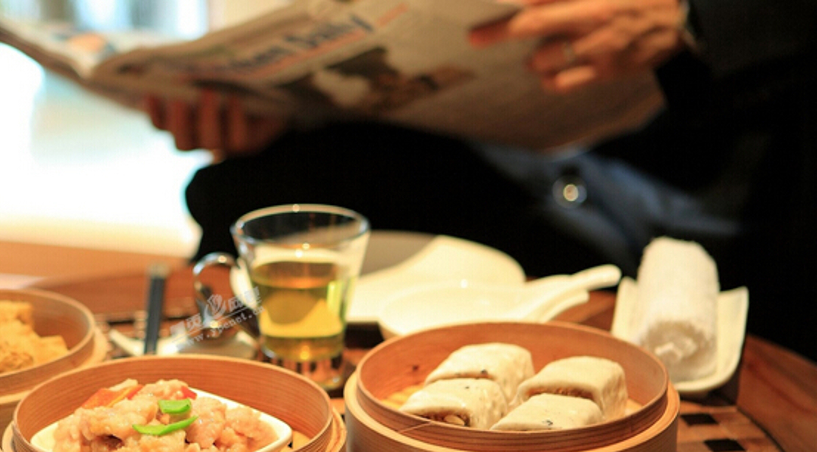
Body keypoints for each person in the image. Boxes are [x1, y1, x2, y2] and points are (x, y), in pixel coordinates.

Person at [143, 0, 817, 362]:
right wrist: (276, 110)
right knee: (257, 193)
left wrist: (692, 19)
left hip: (691, 167)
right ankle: (217, 375)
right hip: (475, 152)